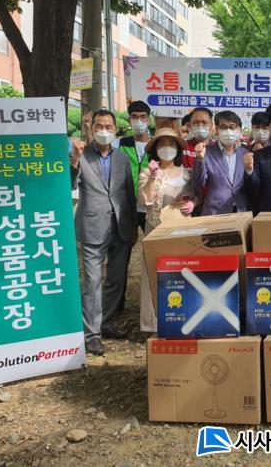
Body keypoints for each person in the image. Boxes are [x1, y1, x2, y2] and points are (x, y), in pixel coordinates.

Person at [70, 110, 137, 356]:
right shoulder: (81, 155)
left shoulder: (122, 158)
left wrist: (132, 227)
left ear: (115, 130)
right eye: (99, 126)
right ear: (92, 128)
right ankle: (92, 334)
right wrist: (75, 161)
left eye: (108, 127)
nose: (104, 131)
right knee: (93, 282)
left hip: (120, 226)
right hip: (92, 226)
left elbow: (128, 193)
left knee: (116, 280)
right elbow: (69, 184)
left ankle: (107, 322)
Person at [137, 127, 195, 331]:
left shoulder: (187, 173)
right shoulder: (147, 172)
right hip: (156, 228)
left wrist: (193, 204)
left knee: (182, 271)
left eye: (171, 144)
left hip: (181, 230)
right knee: (153, 273)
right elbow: (144, 200)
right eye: (162, 144)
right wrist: (153, 177)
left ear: (178, 148)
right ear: (155, 149)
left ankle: (183, 317)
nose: (167, 148)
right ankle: (153, 323)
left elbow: (196, 195)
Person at [192, 110, 249, 215]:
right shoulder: (206, 152)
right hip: (215, 211)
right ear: (217, 129)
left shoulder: (245, 154)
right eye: (223, 127)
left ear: (238, 130)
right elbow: (198, 183)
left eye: (232, 127)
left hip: (241, 210)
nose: (228, 131)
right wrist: (199, 159)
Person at [119, 100, 152, 231]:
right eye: (135, 117)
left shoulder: (155, 144)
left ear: (149, 120)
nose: (139, 121)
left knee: (151, 240)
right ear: (129, 120)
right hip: (127, 204)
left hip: (149, 205)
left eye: (143, 117)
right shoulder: (120, 143)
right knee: (126, 240)